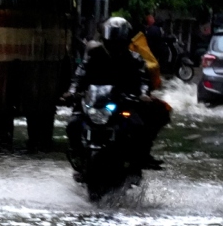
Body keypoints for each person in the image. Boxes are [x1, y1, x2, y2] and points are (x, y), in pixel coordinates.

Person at [67, 16, 170, 169]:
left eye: (118, 42)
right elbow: (80, 75)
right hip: (94, 101)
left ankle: (140, 157)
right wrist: (72, 91)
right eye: (111, 41)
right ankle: (77, 155)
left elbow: (143, 79)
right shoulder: (94, 55)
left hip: (123, 102)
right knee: (73, 124)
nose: (114, 46)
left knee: (138, 125)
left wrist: (142, 94)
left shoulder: (134, 59)